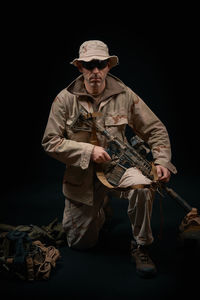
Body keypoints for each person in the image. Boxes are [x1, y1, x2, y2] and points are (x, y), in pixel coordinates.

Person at [42, 40, 177, 278]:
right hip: (82, 176)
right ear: (80, 67)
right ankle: (100, 211)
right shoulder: (64, 99)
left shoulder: (125, 95)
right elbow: (50, 142)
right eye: (89, 65)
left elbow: (155, 129)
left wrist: (162, 161)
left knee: (144, 186)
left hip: (121, 166)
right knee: (80, 244)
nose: (95, 71)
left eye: (100, 64)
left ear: (108, 67)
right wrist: (87, 151)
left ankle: (141, 246)